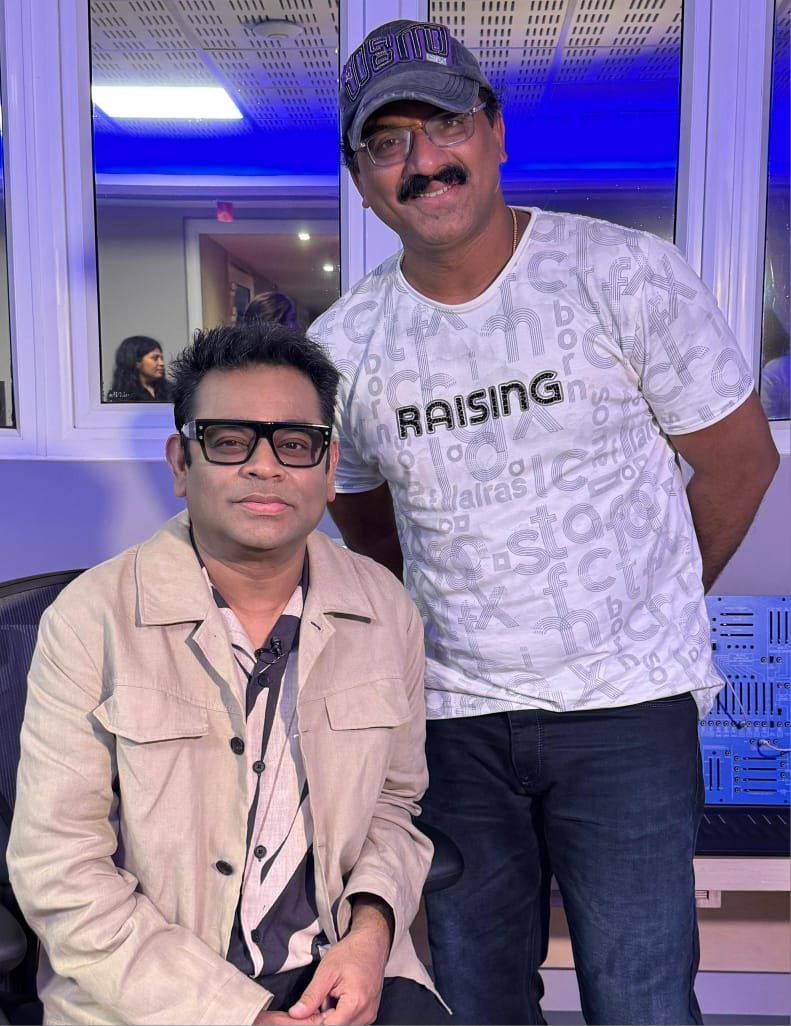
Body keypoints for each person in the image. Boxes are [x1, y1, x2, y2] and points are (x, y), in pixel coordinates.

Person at [310, 18, 781, 1026]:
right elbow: (371, 529)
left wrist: (644, 604)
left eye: (442, 125)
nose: (421, 161)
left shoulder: (622, 274)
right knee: (475, 998)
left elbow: (740, 463)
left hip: (626, 711)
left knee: (641, 1001)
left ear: (491, 131)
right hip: (452, 724)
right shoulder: (342, 346)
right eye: (386, 142)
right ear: (360, 179)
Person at [8, 322, 449, 1026]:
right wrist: (233, 1013)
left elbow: (394, 806)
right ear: (181, 464)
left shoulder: (384, 608)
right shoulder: (92, 618)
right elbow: (59, 867)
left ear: (328, 468)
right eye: (229, 440)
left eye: (294, 444)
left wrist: (371, 934)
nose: (265, 467)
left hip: (341, 971)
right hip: (155, 994)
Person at [106, 334, 172, 401]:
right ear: (136, 361)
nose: (161, 363)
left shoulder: (171, 391)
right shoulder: (120, 396)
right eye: (155, 358)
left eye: (161, 358)